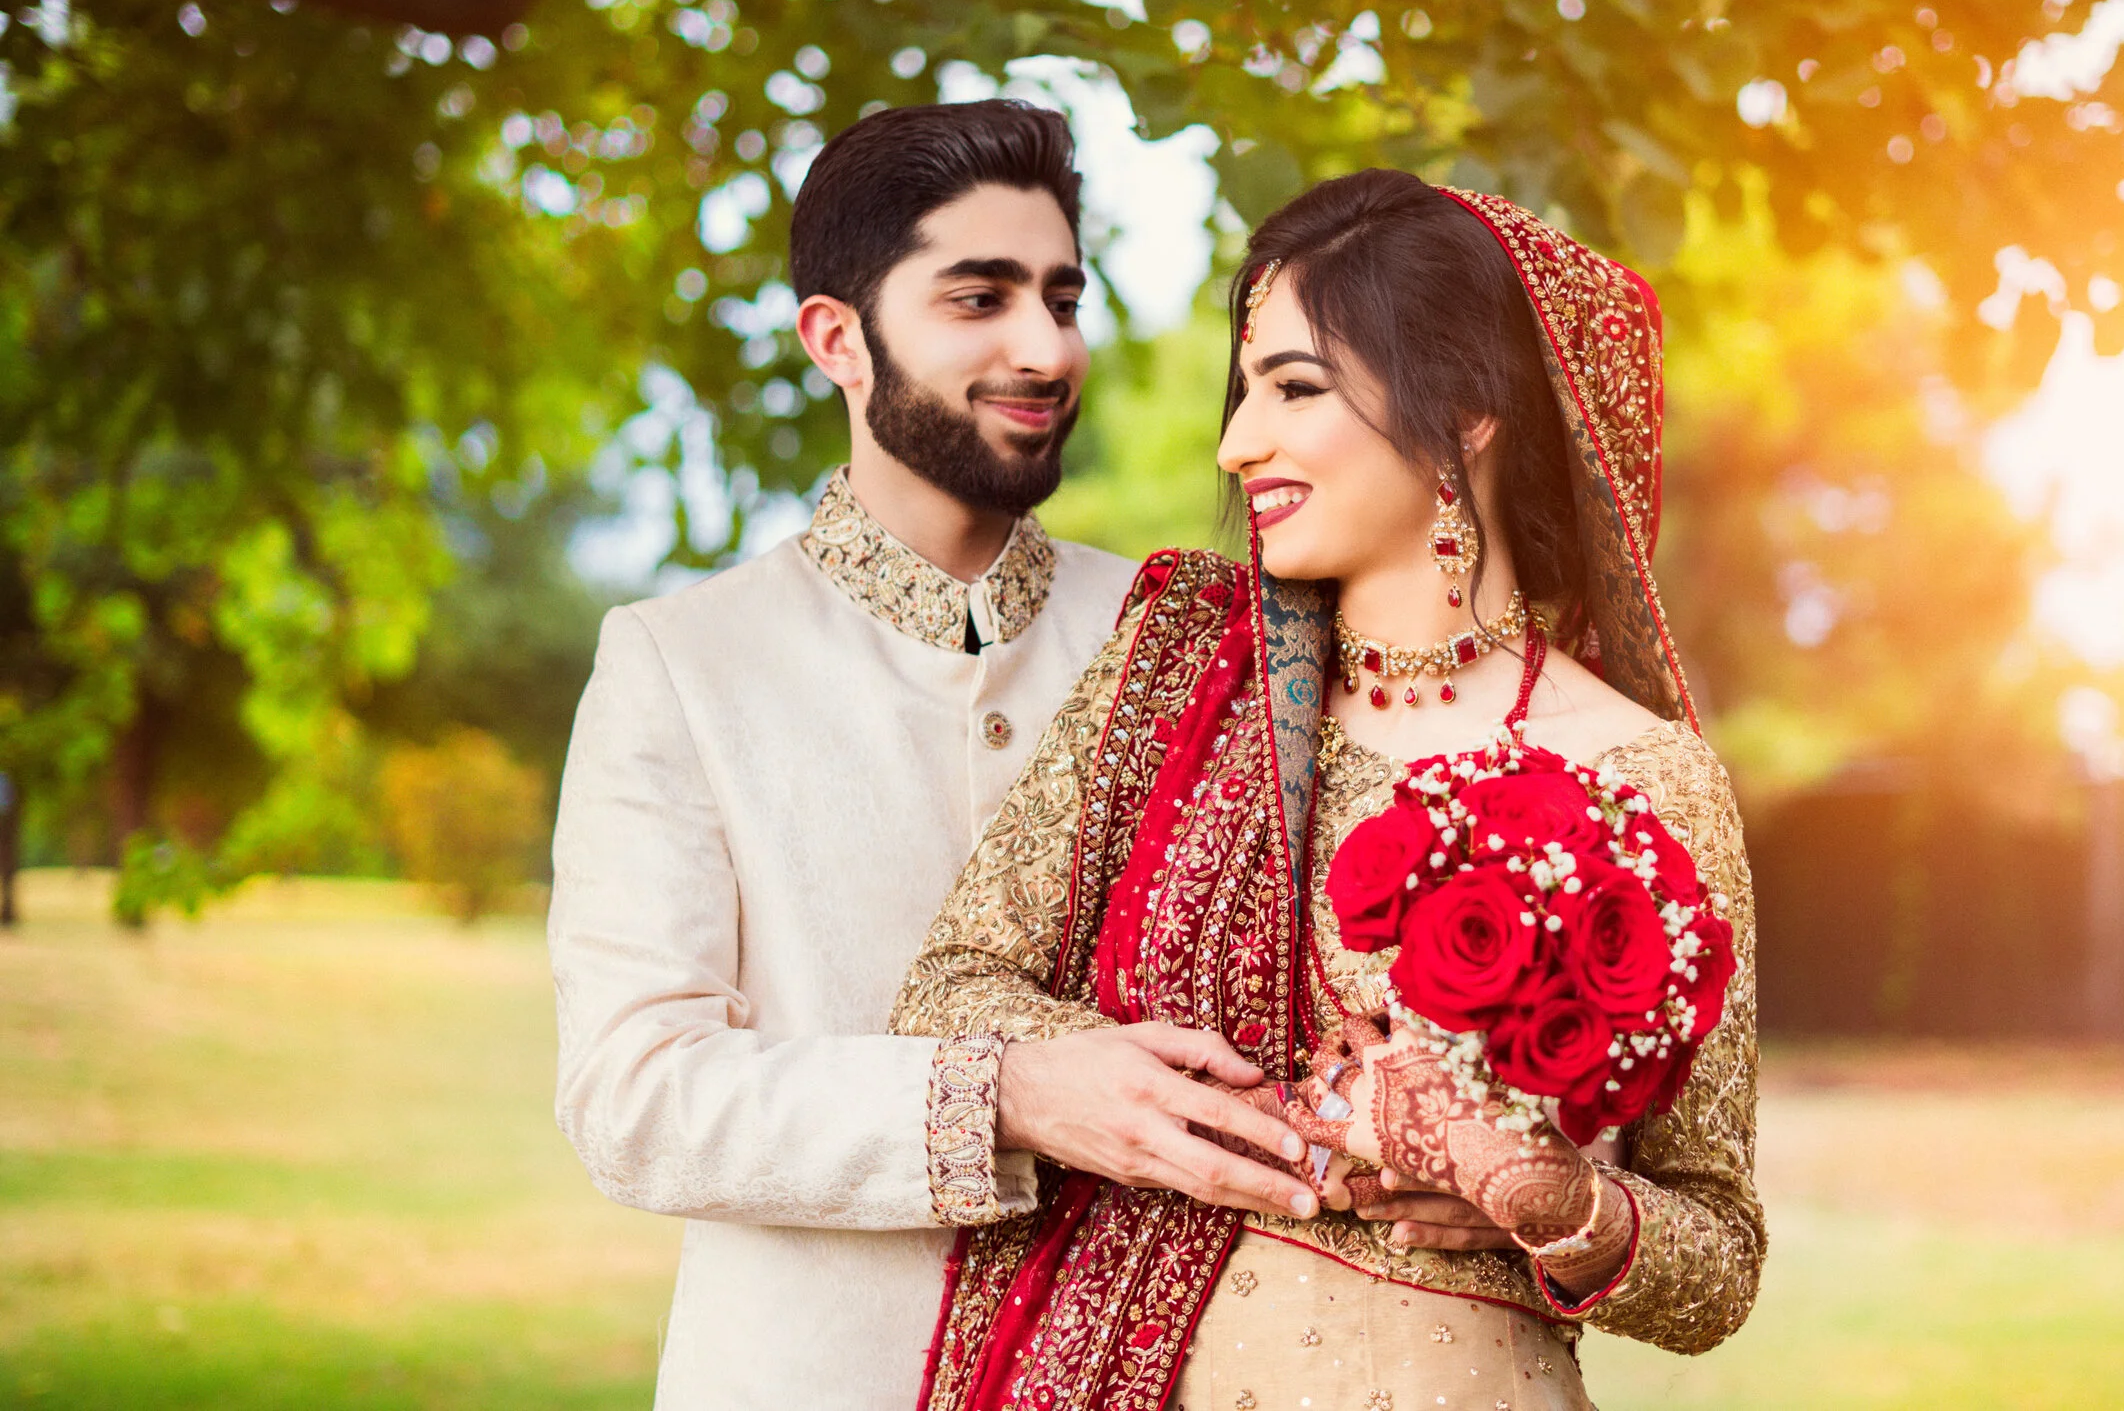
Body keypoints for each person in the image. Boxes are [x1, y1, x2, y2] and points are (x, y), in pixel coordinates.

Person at [892, 170, 1763, 1410]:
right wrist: (1207, 1105)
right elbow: (946, 993)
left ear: (1466, 407)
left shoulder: (1647, 775)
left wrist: (1556, 1201)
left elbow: (1719, 1256)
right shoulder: (1183, 672)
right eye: (1246, 390)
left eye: (1294, 388)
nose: (1235, 443)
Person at [548, 100, 1314, 1411]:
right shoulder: (683, 662)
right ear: (837, 339)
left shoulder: (1183, 633)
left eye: (1062, 298)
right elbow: (636, 1095)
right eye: (980, 297)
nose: (1043, 346)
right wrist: (1004, 1095)